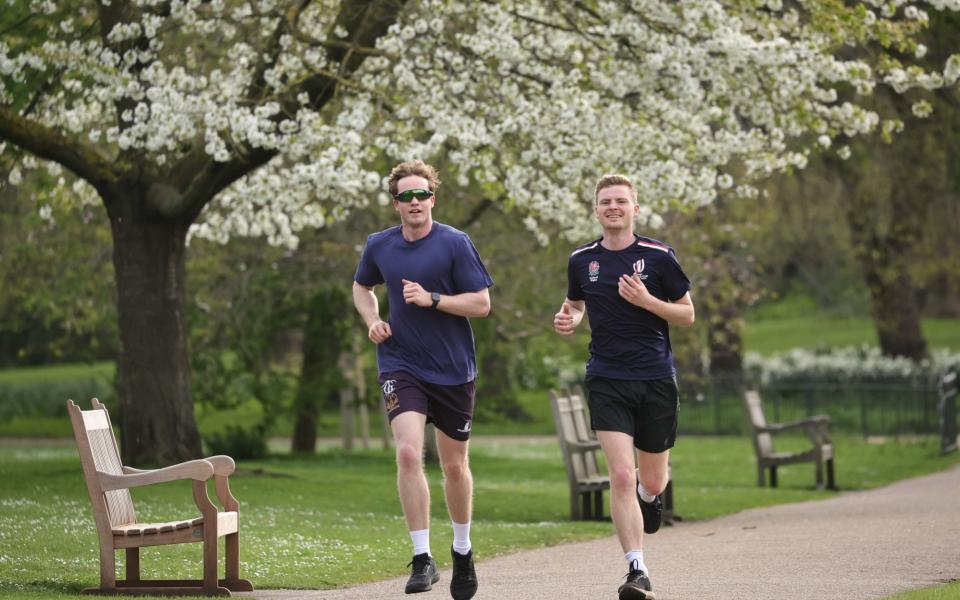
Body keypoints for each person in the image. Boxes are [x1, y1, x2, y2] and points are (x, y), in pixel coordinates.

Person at [352, 160, 493, 599]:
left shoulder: (455, 243)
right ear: (395, 203)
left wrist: (433, 299)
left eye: (422, 195)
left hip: (453, 369)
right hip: (401, 363)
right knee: (410, 454)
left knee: (454, 466)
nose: (415, 202)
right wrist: (373, 319)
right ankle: (422, 557)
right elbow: (362, 287)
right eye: (405, 196)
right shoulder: (380, 245)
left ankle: (463, 550)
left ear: (433, 198)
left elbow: (482, 304)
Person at [554, 173, 695, 600]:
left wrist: (647, 302)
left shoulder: (658, 256)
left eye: (620, 201)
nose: (612, 207)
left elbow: (686, 314)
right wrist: (569, 319)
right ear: (596, 210)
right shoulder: (582, 260)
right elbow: (575, 304)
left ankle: (646, 494)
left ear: (635, 208)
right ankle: (637, 569)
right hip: (606, 377)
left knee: (653, 479)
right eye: (605, 201)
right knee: (619, 473)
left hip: (654, 378)